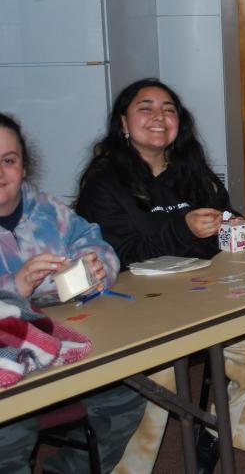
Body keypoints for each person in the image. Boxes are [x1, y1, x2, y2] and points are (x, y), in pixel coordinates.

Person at [75, 79, 245, 474]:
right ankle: (124, 467)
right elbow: (117, 258)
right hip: (136, 308)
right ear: (124, 123)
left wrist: (234, 226)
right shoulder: (104, 183)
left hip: (203, 295)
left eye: (169, 109)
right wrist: (184, 229)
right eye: (146, 108)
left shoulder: (194, 173)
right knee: (156, 369)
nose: (159, 117)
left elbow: (222, 229)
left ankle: (219, 435)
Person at [0, 112, 145, 474]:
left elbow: (93, 239)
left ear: (24, 165)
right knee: (11, 431)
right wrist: (13, 288)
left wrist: (94, 267)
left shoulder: (44, 207)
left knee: (126, 394)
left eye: (8, 160)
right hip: (9, 367)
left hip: (65, 340)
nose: (0, 173)